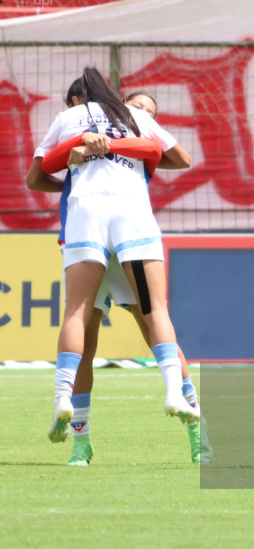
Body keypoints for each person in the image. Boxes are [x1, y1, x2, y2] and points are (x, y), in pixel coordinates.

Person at [26, 84, 209, 465]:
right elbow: (39, 177)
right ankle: (81, 443)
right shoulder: (117, 126)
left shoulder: (122, 133)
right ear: (120, 104)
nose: (144, 110)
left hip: (95, 233)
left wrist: (102, 148)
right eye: (138, 104)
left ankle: (197, 431)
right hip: (117, 233)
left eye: (151, 110)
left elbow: (171, 155)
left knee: (145, 327)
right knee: (102, 336)